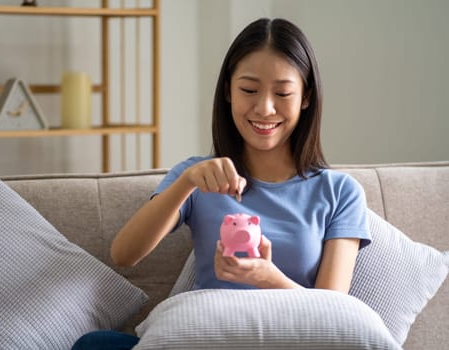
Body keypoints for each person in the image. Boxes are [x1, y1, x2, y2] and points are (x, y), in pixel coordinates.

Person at [72, 17, 371, 350]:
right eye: (248, 90)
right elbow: (124, 254)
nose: (264, 108)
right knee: (96, 345)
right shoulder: (198, 176)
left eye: (283, 92)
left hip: (290, 342)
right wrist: (186, 182)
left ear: (305, 98)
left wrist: (267, 279)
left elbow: (334, 316)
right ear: (228, 91)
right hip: (207, 338)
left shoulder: (340, 193)